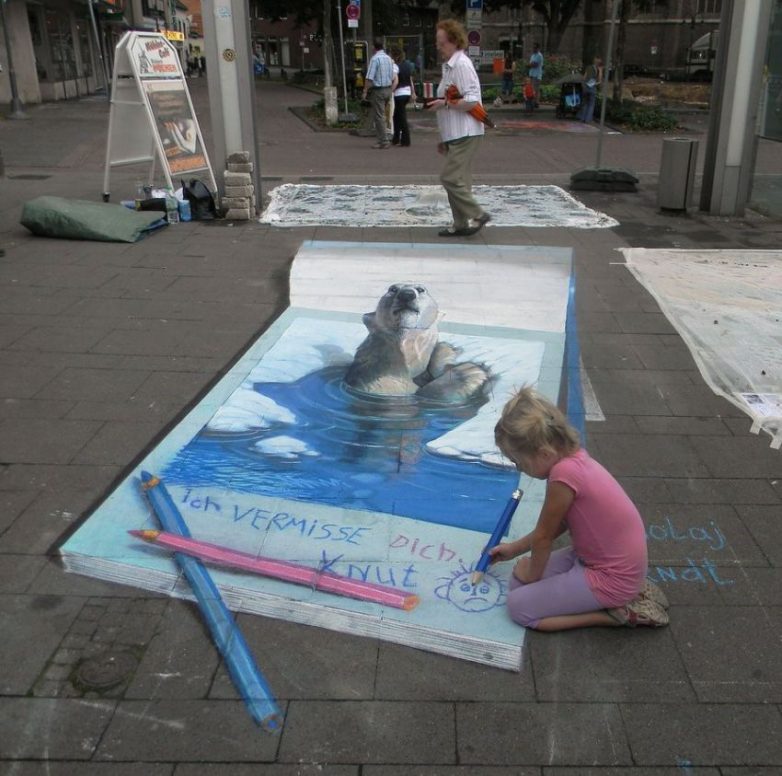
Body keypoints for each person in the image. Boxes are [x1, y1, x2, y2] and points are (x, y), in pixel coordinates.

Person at [489, 386, 670, 631]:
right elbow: (559, 525)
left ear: (544, 454)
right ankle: (627, 591)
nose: (520, 469)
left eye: (519, 462)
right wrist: (514, 549)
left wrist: (533, 573)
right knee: (516, 584)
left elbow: (543, 537)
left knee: (518, 606)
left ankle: (618, 614)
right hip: (599, 559)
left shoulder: (562, 475)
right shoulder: (574, 459)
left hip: (610, 576)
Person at [425, 19, 491, 238]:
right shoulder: (450, 66)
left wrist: (444, 103)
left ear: (454, 41)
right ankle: (461, 223)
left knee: (450, 178)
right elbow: (453, 99)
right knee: (459, 180)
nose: (438, 46)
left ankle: (478, 214)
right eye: (437, 42)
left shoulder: (461, 65)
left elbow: (472, 100)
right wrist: (445, 137)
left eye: (441, 42)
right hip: (457, 133)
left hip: (466, 132)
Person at [361, 39, 396, 149]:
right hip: (388, 89)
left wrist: (365, 91)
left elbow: (369, 77)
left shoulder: (375, 59)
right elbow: (392, 75)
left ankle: (383, 140)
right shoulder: (388, 58)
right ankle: (383, 138)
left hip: (378, 90)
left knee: (379, 116)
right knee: (383, 115)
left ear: (373, 47)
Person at [391, 45, 415, 147]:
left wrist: (391, 91)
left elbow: (395, 81)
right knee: (397, 116)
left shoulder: (396, 66)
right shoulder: (407, 65)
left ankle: (405, 140)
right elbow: (410, 80)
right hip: (407, 92)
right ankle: (396, 138)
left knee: (400, 117)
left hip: (399, 93)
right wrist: (413, 92)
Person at [578, 56, 603, 123]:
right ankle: (588, 119)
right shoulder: (598, 69)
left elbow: (584, 77)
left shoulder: (588, 67)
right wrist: (600, 72)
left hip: (585, 87)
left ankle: (582, 118)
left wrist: (583, 85)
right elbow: (599, 80)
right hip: (592, 88)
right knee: (591, 104)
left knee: (585, 103)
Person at [528, 43, 544, 108]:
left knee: (536, 89)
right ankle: (533, 102)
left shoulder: (539, 55)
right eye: (533, 48)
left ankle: (536, 103)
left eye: (535, 48)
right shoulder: (533, 55)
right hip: (531, 73)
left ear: (538, 48)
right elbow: (530, 64)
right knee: (532, 89)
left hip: (537, 75)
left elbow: (534, 65)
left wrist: (530, 64)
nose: (534, 49)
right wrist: (531, 64)